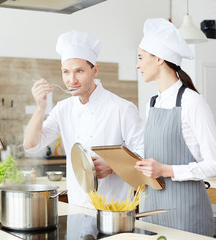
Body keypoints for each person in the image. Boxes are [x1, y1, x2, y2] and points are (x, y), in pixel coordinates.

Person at [23, 30, 144, 208]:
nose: (71, 80)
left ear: (95, 70)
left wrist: (112, 166)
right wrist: (40, 107)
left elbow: (145, 156)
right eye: (66, 72)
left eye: (79, 71)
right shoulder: (63, 109)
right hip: (76, 209)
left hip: (114, 212)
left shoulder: (121, 108)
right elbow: (31, 146)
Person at [135, 18, 216, 236]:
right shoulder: (152, 103)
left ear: (159, 59)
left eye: (140, 57)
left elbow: (215, 165)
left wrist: (166, 170)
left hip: (187, 213)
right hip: (152, 211)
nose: (137, 65)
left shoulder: (192, 102)